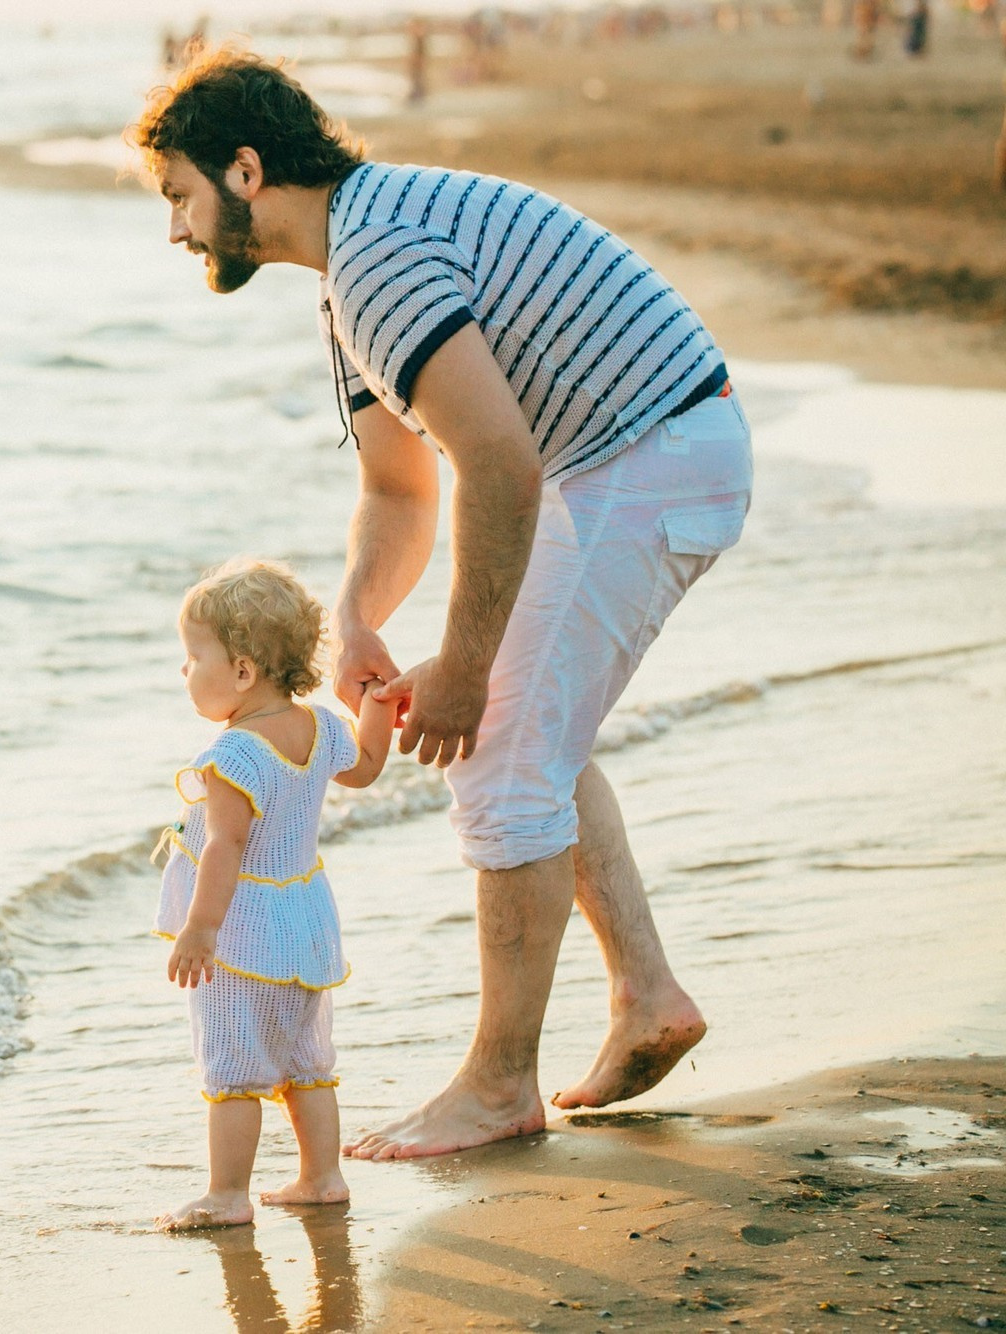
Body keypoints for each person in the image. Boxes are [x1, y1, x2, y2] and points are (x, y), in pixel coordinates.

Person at [130, 49, 752, 1160]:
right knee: (532, 728)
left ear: (243, 169)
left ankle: (496, 1083)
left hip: (649, 454)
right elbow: (396, 483)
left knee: (499, 740)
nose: (174, 230)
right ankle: (646, 996)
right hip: (630, 456)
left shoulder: (375, 256)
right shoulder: (348, 277)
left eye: (179, 195)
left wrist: (461, 669)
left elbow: (497, 462)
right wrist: (357, 620)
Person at [154, 559, 394, 1230]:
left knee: (232, 1061)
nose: (184, 671)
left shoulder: (233, 755)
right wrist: (376, 708)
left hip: (241, 936)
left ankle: (227, 1194)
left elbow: (225, 848)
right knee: (303, 1061)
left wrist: (200, 930)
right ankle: (322, 1177)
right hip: (306, 921)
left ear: (242, 671)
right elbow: (368, 769)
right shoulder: (319, 728)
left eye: (192, 656)